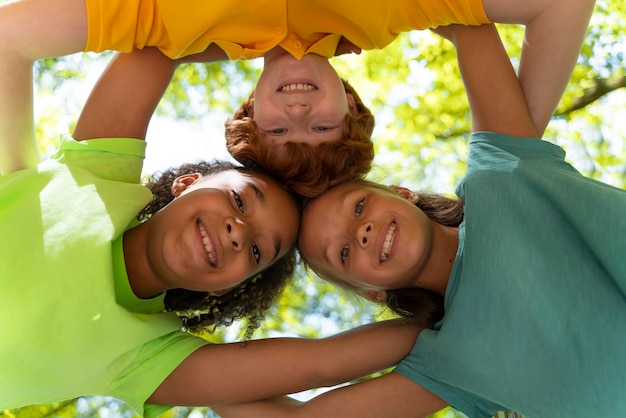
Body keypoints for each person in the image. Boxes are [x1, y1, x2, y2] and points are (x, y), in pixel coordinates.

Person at [0, 9, 426, 417]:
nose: (239, 233)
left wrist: (448, 306)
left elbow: (325, 363)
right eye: (239, 201)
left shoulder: (144, 357)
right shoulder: (96, 177)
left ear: (226, 287)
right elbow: (160, 43)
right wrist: (283, 45)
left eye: (257, 251)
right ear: (186, 182)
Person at [213, 21, 626, 418]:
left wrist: (347, 20)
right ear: (370, 292)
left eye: (359, 208)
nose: (362, 233)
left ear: (401, 193)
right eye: (341, 252)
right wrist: (164, 330)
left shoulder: (498, 176)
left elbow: (467, 25)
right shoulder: (446, 363)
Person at [4, 0, 593, 197]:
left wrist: (18, 199)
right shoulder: (400, 11)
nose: (299, 115)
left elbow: (11, 38)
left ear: (250, 112)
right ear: (353, 108)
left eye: (280, 132)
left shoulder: (168, 25)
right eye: (322, 129)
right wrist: (514, 168)